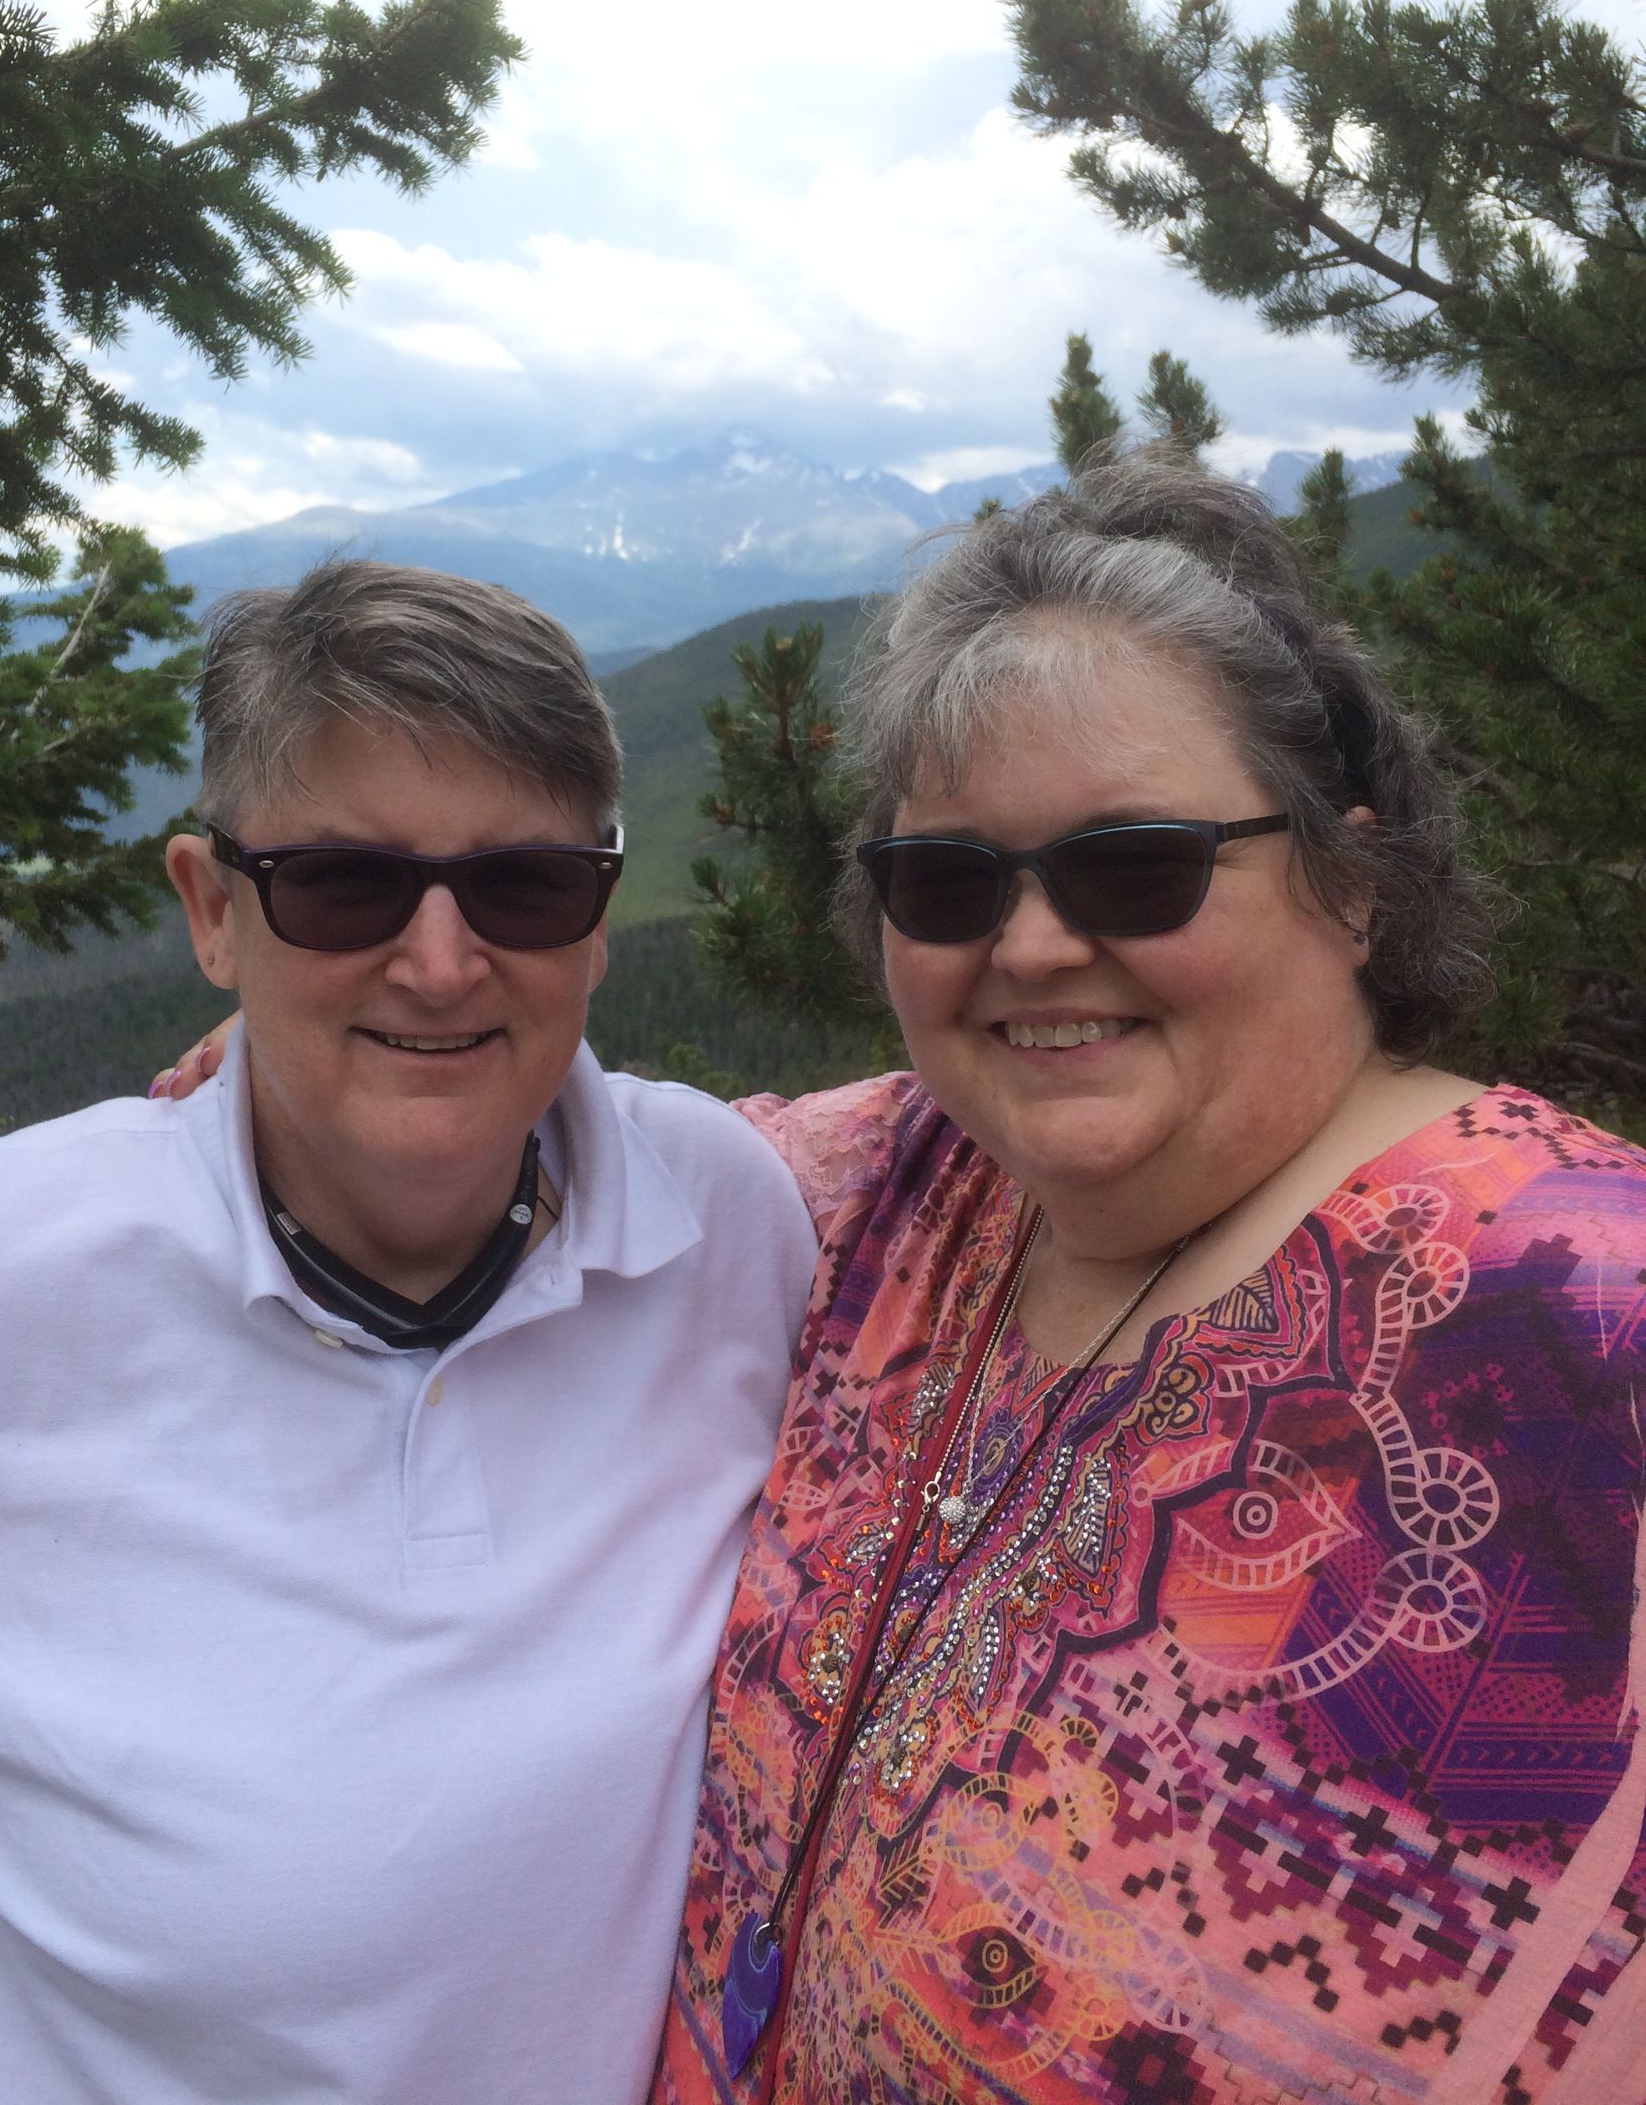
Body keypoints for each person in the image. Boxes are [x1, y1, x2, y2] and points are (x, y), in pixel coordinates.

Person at [654, 454, 1646, 2103]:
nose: (1031, 947)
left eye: (1136, 866)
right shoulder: (888, 1186)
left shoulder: (1581, 1313)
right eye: (951, 883)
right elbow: (534, 1158)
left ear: (1350, 876)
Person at [0, 561, 818, 2105]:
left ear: (603, 919)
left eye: (526, 886)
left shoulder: (727, 1224)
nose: (438, 960)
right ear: (214, 910)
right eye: (344, 886)